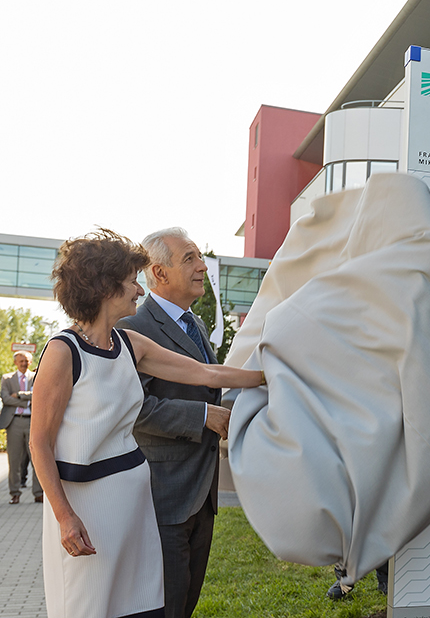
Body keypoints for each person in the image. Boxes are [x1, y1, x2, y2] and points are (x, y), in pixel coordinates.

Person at [29, 229, 263, 618]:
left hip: (135, 508)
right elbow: (40, 443)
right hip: (87, 511)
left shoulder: (129, 344)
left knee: (142, 609)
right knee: (87, 607)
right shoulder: (62, 351)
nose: (139, 290)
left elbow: (209, 374)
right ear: (105, 286)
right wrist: (65, 516)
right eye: (131, 281)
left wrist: (271, 374)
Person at [115, 227, 231, 618]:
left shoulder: (195, 326)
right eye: (190, 259)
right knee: (165, 607)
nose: (202, 266)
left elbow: (211, 388)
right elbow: (134, 407)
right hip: (163, 494)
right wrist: (203, 417)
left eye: (200, 257)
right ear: (158, 272)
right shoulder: (132, 328)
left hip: (203, 494)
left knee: (186, 603)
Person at [1, 350, 43, 504]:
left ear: (30, 362)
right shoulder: (6, 379)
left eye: (26, 360)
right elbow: (5, 399)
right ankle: (14, 493)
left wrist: (19, 395)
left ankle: (38, 493)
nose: (24, 363)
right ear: (15, 362)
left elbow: (39, 395)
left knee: (37, 459)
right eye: (21, 361)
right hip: (14, 423)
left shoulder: (36, 377)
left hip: (34, 422)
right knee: (14, 460)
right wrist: (27, 399)